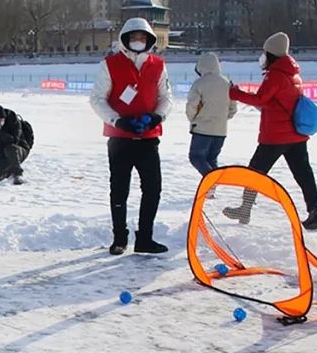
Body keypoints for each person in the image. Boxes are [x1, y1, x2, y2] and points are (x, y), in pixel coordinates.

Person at [90, 17, 173, 255]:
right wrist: (118, 120)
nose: (138, 41)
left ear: (149, 40)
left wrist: (157, 117)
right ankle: (119, 238)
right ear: (125, 39)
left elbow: (166, 97)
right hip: (120, 139)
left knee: (153, 189)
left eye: (143, 37)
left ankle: (145, 238)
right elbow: (97, 99)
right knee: (119, 190)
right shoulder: (110, 64)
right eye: (134, 37)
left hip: (148, 139)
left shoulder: (158, 65)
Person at [226, 32, 317, 230]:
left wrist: (234, 92)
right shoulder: (293, 74)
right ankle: (315, 214)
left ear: (271, 54)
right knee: (303, 173)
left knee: (255, 172)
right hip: (296, 135)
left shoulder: (276, 75)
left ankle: (245, 210)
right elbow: (274, 101)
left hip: (276, 136)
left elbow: (260, 99)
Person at [186, 52, 237, 196]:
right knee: (211, 159)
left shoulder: (199, 83)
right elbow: (233, 108)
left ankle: (211, 180)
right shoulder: (227, 83)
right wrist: (223, 119)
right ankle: (211, 188)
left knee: (196, 157)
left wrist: (193, 119)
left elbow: (192, 105)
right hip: (221, 130)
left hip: (202, 129)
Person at [0, 104, 33, 184]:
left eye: (2, 119)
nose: (1, 121)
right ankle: (8, 171)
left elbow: (14, 141)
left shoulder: (13, 121)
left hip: (20, 150)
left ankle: (18, 174)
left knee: (10, 148)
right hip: (3, 152)